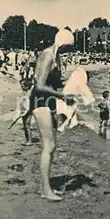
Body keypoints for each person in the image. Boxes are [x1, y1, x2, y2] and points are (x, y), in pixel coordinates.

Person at [30, 29, 77, 201]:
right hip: (40, 102)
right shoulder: (48, 55)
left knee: (51, 146)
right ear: (62, 43)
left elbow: (51, 82)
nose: (68, 51)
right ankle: (45, 190)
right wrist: (62, 96)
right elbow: (40, 86)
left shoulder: (55, 55)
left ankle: (46, 186)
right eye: (68, 48)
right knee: (48, 147)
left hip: (48, 103)